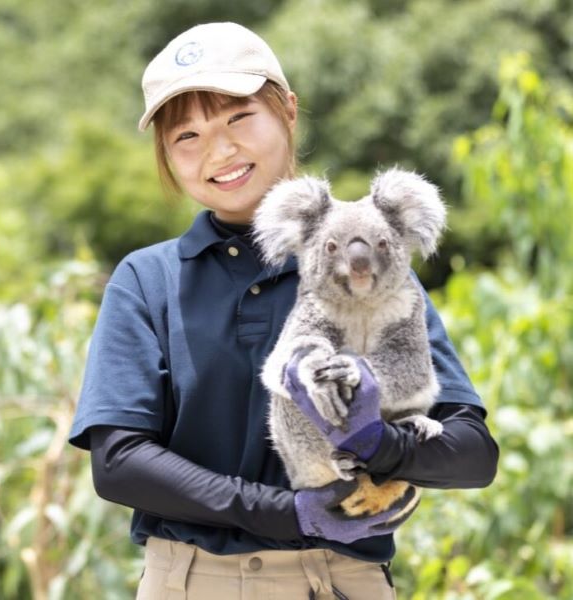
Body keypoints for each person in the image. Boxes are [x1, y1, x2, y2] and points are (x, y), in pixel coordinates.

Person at [69, 22, 499, 600]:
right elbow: (118, 462)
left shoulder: (370, 264)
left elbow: (471, 456)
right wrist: (285, 513)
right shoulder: (149, 280)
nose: (218, 152)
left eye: (238, 119)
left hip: (342, 581)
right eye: (186, 136)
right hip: (193, 582)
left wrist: (379, 442)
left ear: (288, 110)